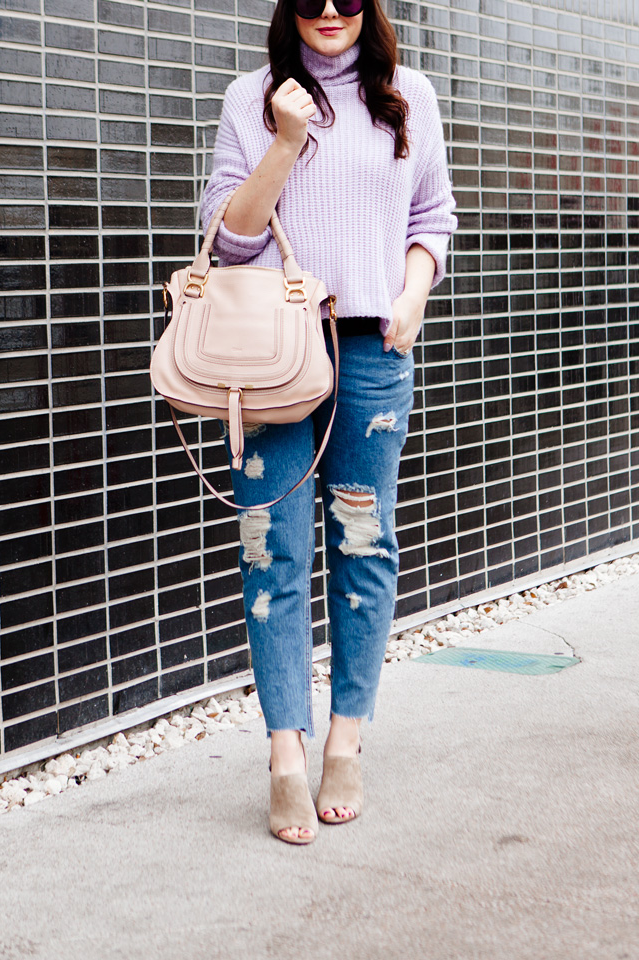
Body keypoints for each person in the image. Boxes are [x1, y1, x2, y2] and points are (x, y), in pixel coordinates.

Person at [200, 0, 457, 844]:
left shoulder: (408, 94)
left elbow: (432, 216)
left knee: (362, 538)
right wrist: (282, 139)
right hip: (270, 350)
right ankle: (284, 753)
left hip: (373, 349)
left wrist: (413, 294)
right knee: (270, 543)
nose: (329, 12)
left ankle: (345, 739)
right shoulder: (253, 98)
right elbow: (229, 239)